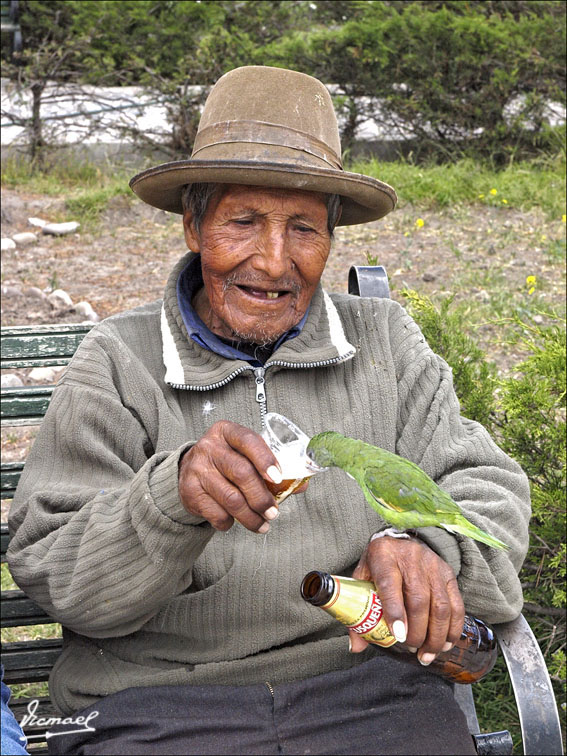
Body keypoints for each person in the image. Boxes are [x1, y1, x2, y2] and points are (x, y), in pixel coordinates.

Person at [7, 66, 530, 755]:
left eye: (304, 229)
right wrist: (170, 498)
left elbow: (484, 490)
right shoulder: (118, 361)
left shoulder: (384, 342)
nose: (274, 262)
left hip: (365, 693)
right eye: (243, 222)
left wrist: (427, 546)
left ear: (332, 239)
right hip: (158, 708)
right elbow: (62, 579)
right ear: (194, 226)